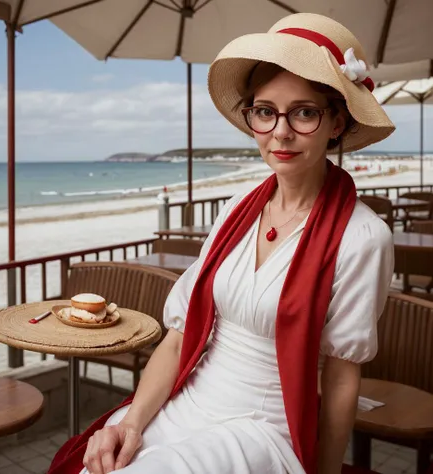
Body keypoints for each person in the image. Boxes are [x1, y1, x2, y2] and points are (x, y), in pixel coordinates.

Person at [48, 13, 395, 474]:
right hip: (189, 399)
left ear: (337, 123)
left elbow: (340, 377)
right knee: (101, 460)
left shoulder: (363, 236)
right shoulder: (236, 209)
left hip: (263, 428)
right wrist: (131, 424)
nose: (281, 131)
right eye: (266, 111)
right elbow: (177, 340)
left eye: (305, 112)